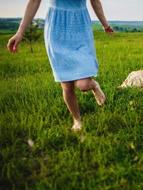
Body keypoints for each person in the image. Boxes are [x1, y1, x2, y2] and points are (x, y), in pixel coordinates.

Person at [7, 0, 114, 131]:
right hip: (56, 30)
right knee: (67, 85)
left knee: (83, 84)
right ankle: (77, 120)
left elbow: (95, 1)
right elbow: (34, 1)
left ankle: (93, 85)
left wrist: (105, 24)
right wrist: (20, 32)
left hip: (80, 28)